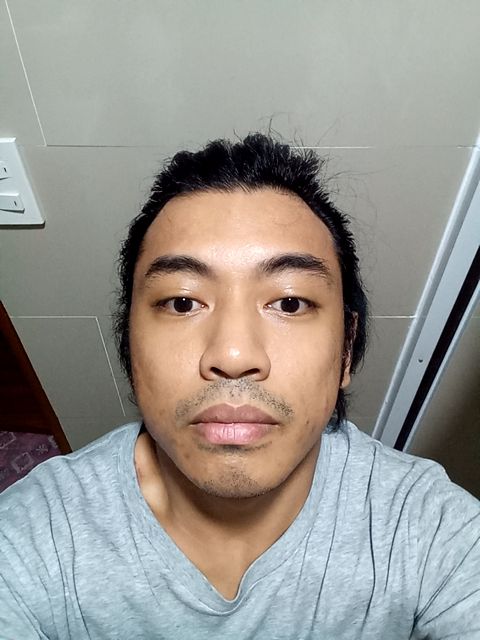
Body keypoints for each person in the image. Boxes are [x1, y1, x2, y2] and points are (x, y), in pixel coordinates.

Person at [0, 133, 479, 639]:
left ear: (346, 349)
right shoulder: (36, 536)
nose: (233, 356)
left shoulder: (427, 529)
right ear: (129, 345)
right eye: (182, 302)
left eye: (289, 303)